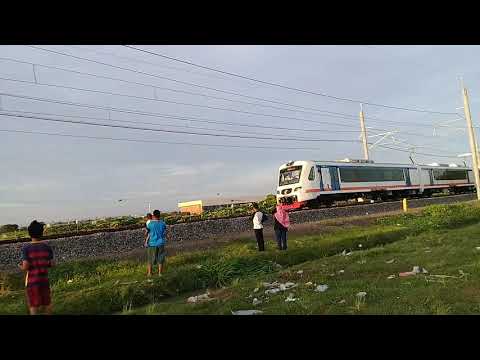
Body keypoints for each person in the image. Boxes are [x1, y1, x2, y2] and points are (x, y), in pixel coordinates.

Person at [19, 220, 55, 315]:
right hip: (44, 280)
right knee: (47, 302)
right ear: (42, 233)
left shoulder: (26, 248)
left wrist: (21, 267)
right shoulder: (47, 247)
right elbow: (52, 264)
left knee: (33, 305)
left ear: (29, 234)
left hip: (32, 282)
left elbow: (26, 266)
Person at [144, 209, 167, 276]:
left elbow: (146, 233)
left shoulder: (150, 224)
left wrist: (146, 240)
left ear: (153, 215)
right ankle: (160, 273)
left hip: (152, 243)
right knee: (160, 258)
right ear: (159, 215)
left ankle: (150, 273)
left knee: (150, 259)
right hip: (161, 243)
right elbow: (164, 231)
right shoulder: (163, 223)